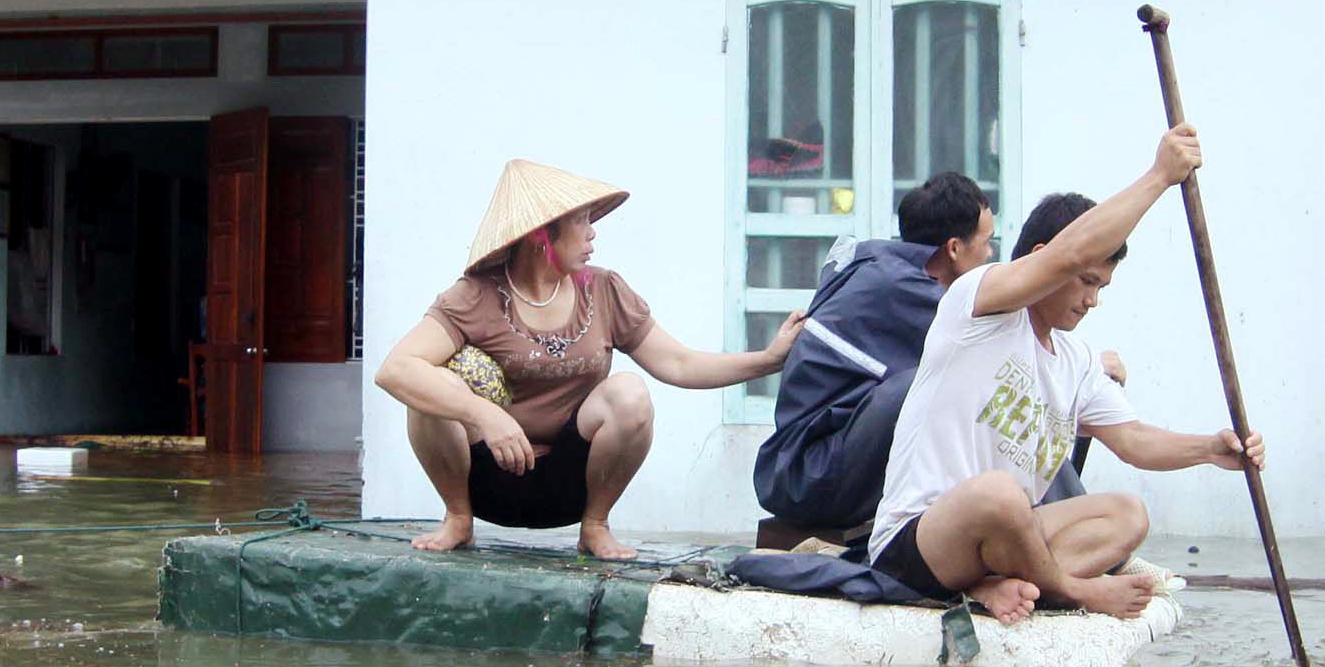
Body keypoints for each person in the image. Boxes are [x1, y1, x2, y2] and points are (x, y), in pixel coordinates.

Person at [866, 127, 1263, 624]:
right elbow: (1068, 253)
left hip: (1004, 541)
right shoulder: (978, 304)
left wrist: (1210, 449)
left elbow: (1135, 440)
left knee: (1125, 514)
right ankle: (1069, 590)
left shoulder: (1075, 360)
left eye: (1102, 287)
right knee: (999, 494)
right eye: (1087, 281)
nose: (1092, 300)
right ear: (1039, 261)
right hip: (918, 542)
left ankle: (996, 586)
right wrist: (1160, 177)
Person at [377, 160, 804, 561]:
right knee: (431, 389)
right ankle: (458, 518)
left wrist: (768, 360)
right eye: (581, 221)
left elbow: (678, 363)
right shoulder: (474, 295)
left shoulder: (604, 290)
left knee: (630, 392)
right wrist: (485, 416)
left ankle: (595, 525)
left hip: (571, 484)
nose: (592, 234)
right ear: (540, 234)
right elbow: (396, 369)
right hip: (487, 478)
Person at [753, 172, 1000, 534]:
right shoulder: (902, 289)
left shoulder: (881, 266)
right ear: (954, 248)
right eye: (987, 242)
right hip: (806, 478)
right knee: (941, 383)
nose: (990, 254)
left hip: (815, 462)